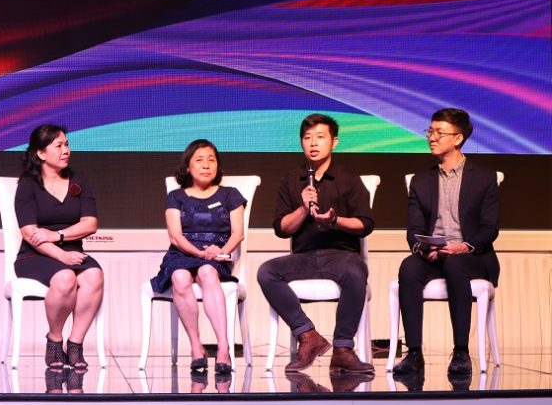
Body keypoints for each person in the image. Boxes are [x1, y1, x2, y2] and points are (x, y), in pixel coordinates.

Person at [257, 113, 375, 375]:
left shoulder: (348, 178)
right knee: (267, 271)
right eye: (307, 138)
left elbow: (365, 224)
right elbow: (282, 229)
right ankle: (308, 336)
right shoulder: (291, 180)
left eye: (320, 137)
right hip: (305, 257)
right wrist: (303, 207)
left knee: (357, 270)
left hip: (340, 255)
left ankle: (343, 350)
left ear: (334, 141)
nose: (313, 143)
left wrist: (335, 220)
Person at [393, 108, 500, 377]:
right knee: (408, 267)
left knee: (455, 265)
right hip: (435, 255)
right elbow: (414, 229)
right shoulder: (420, 181)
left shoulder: (484, 178)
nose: (431, 137)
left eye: (439, 133)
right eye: (430, 131)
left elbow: (489, 229)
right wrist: (423, 248)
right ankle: (414, 353)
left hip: (472, 256)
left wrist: (464, 247)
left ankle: (461, 351)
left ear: (458, 138)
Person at [150, 139, 246, 375]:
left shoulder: (230, 195)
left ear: (218, 166)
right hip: (182, 253)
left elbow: (238, 234)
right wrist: (199, 253)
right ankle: (196, 347)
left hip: (217, 254)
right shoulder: (176, 196)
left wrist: (220, 252)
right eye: (199, 160)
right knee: (180, 278)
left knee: (207, 271)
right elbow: (175, 237)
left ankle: (223, 348)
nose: (206, 165)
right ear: (188, 167)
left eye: (211, 160)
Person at [14, 124, 103, 370]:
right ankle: (54, 339)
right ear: (41, 153)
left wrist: (58, 235)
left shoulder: (79, 179)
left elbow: (90, 224)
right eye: (59, 146)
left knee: (94, 275)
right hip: (34, 255)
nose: (66, 151)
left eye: (67, 144)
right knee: (65, 278)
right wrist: (61, 255)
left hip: (72, 250)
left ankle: (75, 344)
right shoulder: (28, 184)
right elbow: (30, 233)